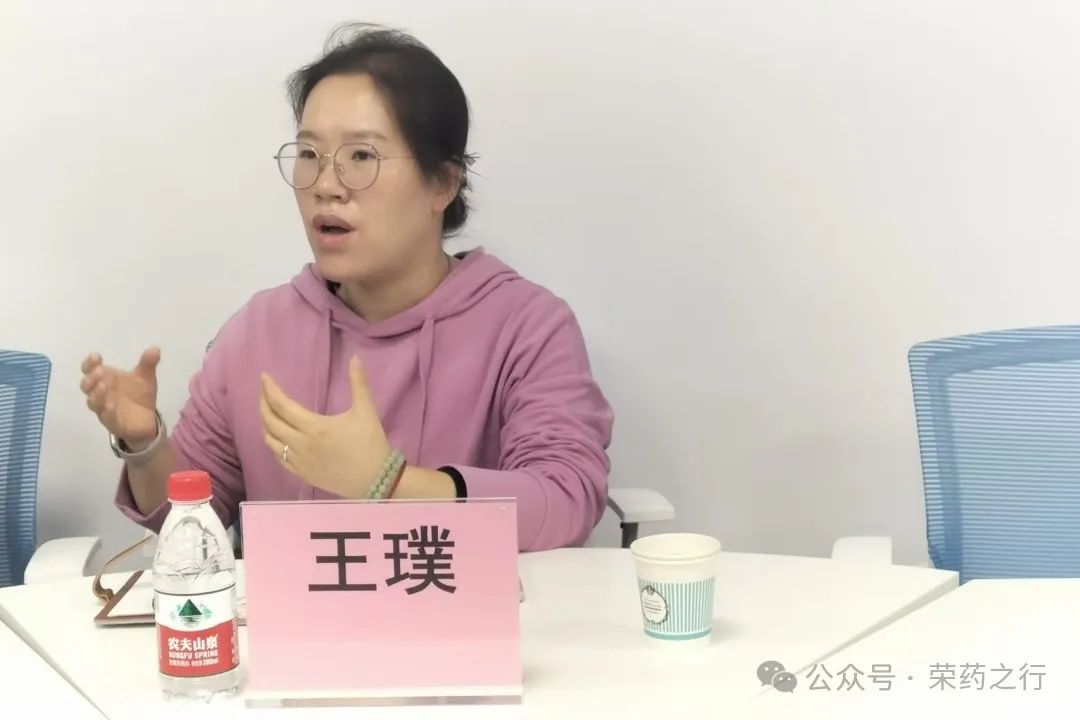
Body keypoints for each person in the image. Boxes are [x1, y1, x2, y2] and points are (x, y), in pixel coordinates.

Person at [78, 23, 613, 552]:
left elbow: (566, 498)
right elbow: (193, 521)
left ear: (443, 184)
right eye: (310, 155)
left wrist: (389, 485)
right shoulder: (259, 332)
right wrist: (145, 445)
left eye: (361, 157)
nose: (326, 186)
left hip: (462, 606)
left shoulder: (526, 326)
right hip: (295, 612)